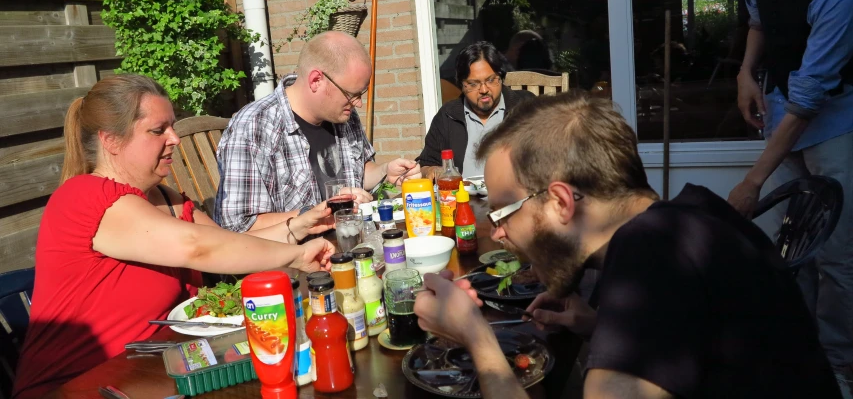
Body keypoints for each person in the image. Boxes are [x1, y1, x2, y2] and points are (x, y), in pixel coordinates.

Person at [414, 92, 840, 399]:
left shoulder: (652, 256)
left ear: (561, 202)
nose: (499, 233)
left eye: (504, 213)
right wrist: (598, 326)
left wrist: (475, 337)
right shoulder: (694, 215)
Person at [12, 74, 335, 399]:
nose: (175, 138)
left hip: (150, 375)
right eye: (158, 130)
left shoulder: (166, 199)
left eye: (172, 126)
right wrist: (294, 256)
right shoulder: (85, 197)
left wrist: (299, 227)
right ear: (110, 140)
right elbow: (195, 248)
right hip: (77, 387)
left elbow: (225, 245)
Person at [728, 0, 853, 387]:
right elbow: (758, 20)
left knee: (836, 253)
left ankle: (839, 364)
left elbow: (810, 97)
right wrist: (746, 72)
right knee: (788, 244)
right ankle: (798, 347)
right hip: (780, 107)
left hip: (833, 124)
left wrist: (753, 181)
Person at [215, 31, 420, 233]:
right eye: (351, 94)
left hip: (350, 239)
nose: (358, 102)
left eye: (361, 93)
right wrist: (317, 213)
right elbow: (238, 225)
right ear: (316, 80)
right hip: (295, 257)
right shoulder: (254, 126)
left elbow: (358, 170)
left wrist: (385, 171)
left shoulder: (343, 114)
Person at [418, 42, 534, 179]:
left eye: (491, 80)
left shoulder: (526, 107)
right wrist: (433, 171)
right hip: (463, 197)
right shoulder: (448, 115)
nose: (484, 90)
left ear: (501, 77)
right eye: (473, 84)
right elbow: (426, 164)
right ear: (461, 84)